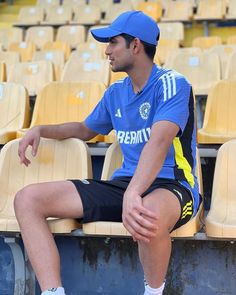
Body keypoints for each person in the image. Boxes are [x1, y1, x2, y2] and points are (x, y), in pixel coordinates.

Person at [14, 10, 201, 295]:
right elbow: (84, 129)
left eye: (113, 42)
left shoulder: (172, 84)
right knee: (28, 199)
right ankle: (53, 292)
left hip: (174, 185)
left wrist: (134, 193)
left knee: (145, 212)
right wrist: (41, 129)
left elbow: (159, 142)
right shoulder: (115, 92)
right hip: (125, 185)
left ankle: (153, 292)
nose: (107, 51)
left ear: (135, 45)